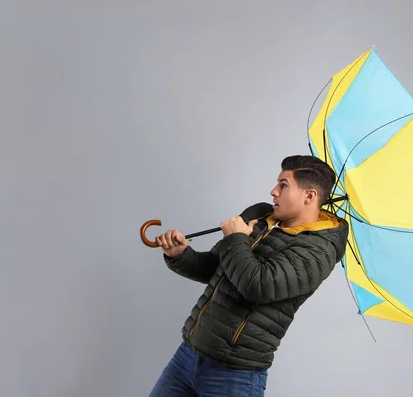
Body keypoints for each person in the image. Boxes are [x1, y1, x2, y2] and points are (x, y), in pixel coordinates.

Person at [149, 155, 349, 396]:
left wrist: (236, 238)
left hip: (234, 375)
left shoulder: (318, 250)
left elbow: (257, 285)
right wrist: (179, 254)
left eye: (283, 185)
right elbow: (215, 268)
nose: (273, 191)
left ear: (309, 196)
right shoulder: (261, 216)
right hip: (188, 356)